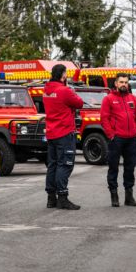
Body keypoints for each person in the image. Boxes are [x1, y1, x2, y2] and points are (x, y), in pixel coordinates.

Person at [43, 64, 84, 210]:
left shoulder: (46, 90)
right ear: (64, 75)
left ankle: (51, 198)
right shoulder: (64, 91)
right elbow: (79, 103)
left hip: (51, 132)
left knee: (52, 165)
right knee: (65, 164)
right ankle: (62, 197)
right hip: (64, 132)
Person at [100, 73, 136, 207]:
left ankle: (129, 197)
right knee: (113, 168)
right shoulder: (108, 99)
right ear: (116, 84)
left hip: (131, 139)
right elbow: (104, 119)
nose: (124, 84)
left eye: (126, 82)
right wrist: (111, 135)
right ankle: (114, 195)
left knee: (130, 168)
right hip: (116, 139)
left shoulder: (132, 99)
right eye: (121, 82)